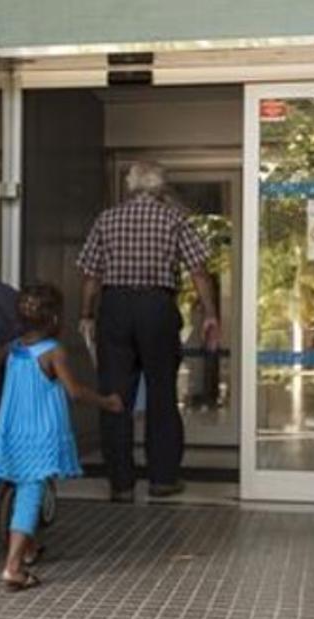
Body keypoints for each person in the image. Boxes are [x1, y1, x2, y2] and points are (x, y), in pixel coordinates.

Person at [77, 162, 220, 502]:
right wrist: (211, 314)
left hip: (114, 307)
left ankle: (121, 484)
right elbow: (198, 270)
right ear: (160, 188)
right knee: (161, 393)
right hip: (157, 307)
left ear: (131, 185)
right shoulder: (174, 219)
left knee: (114, 397)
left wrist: (87, 314)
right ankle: (163, 479)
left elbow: (91, 276)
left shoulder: (106, 219)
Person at [0, 284, 122, 591]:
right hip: (40, 434)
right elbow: (75, 392)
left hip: (11, 430)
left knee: (22, 485)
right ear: (53, 319)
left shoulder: (13, 348)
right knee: (30, 493)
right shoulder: (53, 351)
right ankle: (13, 567)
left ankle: (28, 548)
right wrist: (108, 402)